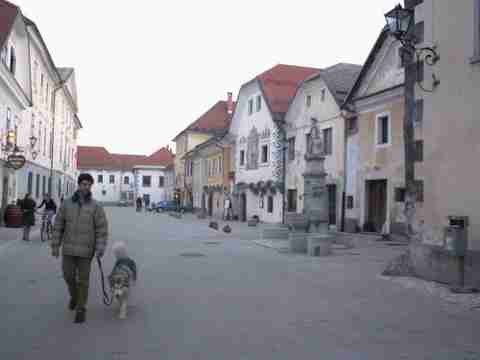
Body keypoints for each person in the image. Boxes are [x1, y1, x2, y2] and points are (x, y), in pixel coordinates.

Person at [51, 173, 108, 324]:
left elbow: (101, 229)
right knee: (68, 276)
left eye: (88, 184)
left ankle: (81, 308)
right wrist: (55, 246)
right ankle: (75, 297)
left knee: (83, 280)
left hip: (86, 251)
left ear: (91, 187)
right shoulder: (67, 204)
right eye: (83, 184)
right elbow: (58, 226)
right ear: (78, 185)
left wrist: (100, 248)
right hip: (68, 249)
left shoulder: (96, 206)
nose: (86, 187)